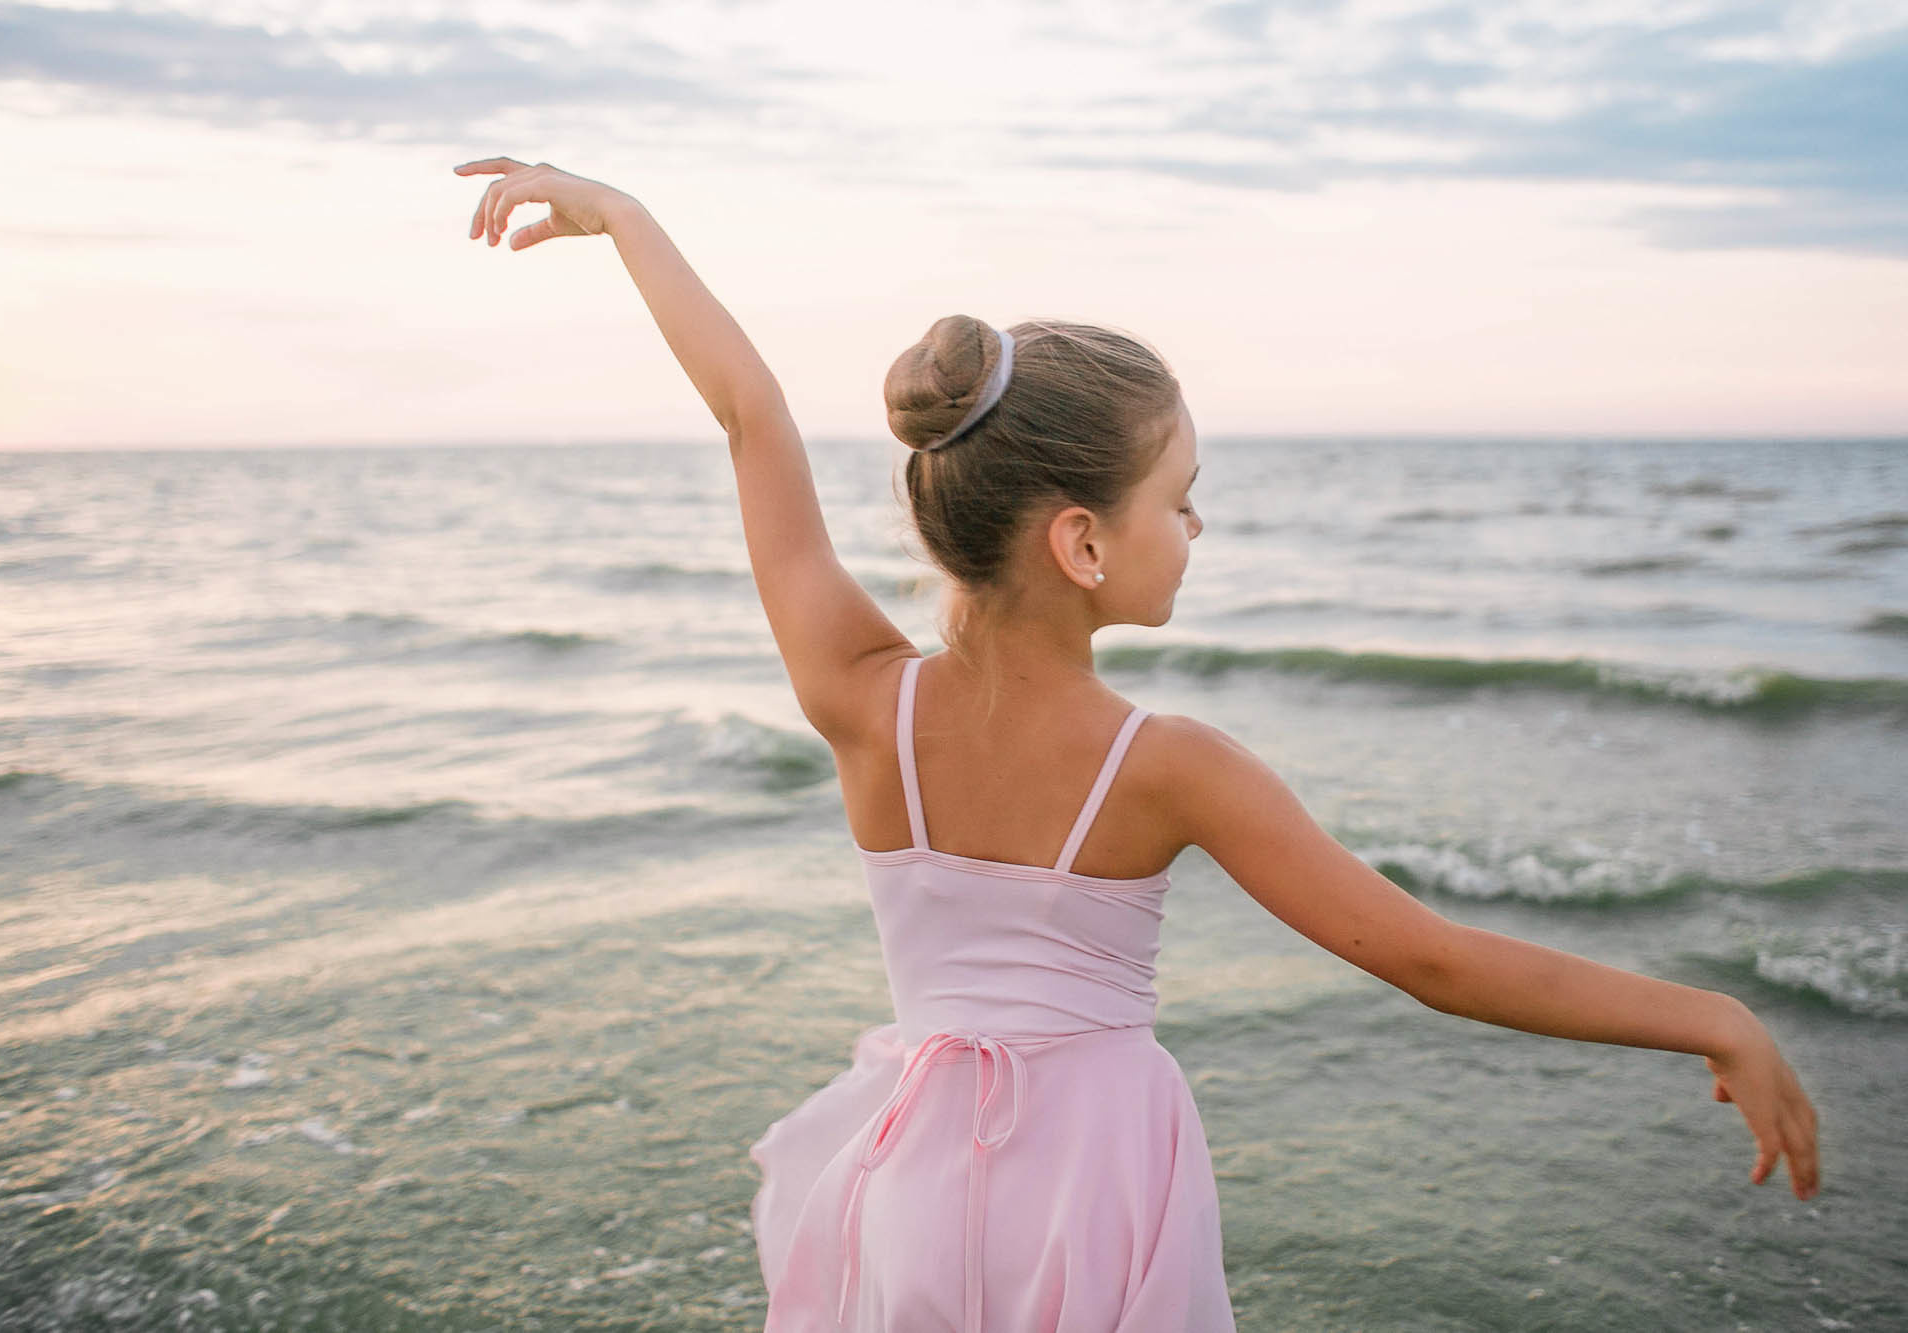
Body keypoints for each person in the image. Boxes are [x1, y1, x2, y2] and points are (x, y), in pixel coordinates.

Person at [454, 156, 1821, 1332]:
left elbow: (752, 415)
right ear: (1085, 540)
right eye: (1184, 498)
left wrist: (625, 220)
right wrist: (1709, 1011)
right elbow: (1430, 955)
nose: (1198, 528)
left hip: (908, 1188)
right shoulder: (1169, 764)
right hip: (1090, 1198)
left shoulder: (864, 697)